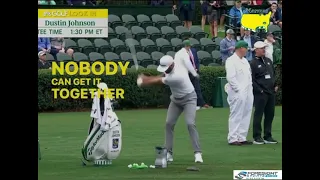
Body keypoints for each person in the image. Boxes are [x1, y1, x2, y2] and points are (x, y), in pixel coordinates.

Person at [136, 55, 203, 163]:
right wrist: (146, 77)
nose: (165, 70)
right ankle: (168, 153)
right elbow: (162, 74)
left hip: (189, 99)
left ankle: (198, 153)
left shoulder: (177, 76)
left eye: (167, 68)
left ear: (172, 65)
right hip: (176, 100)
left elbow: (157, 81)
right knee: (168, 124)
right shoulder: (171, 67)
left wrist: (144, 80)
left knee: (190, 123)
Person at [225, 40, 253, 145]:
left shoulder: (245, 61)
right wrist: (238, 90)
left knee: (246, 113)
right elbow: (231, 77)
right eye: (246, 48)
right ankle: (232, 138)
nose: (247, 50)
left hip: (248, 91)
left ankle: (241, 137)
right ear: (241, 48)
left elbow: (248, 76)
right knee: (236, 114)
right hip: (237, 92)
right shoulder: (231, 60)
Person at [250, 41, 278, 144]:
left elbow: (272, 74)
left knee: (270, 114)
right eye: (262, 48)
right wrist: (259, 90)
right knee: (258, 115)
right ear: (256, 50)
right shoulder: (253, 63)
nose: (264, 50)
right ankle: (257, 136)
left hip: (271, 92)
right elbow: (252, 80)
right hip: (261, 93)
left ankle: (268, 135)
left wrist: (275, 85)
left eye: (264, 48)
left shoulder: (268, 61)